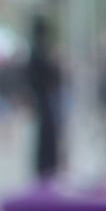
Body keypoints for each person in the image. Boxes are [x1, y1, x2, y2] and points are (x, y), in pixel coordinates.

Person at [23, 15, 61, 180]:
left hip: (43, 99)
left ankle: (47, 167)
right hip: (43, 99)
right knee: (45, 134)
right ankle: (46, 167)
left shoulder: (37, 52)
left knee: (46, 135)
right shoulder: (38, 53)